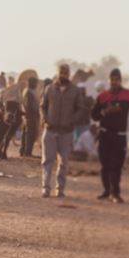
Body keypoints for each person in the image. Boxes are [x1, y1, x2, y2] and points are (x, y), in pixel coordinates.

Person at [91, 68, 129, 203]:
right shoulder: (102, 96)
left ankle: (115, 193)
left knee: (117, 165)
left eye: (117, 80)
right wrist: (104, 111)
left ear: (120, 80)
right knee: (105, 165)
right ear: (109, 80)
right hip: (104, 135)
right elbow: (94, 115)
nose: (114, 82)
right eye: (112, 80)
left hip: (120, 136)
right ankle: (106, 191)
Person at [40, 64, 88, 198]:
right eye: (62, 72)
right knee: (47, 161)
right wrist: (45, 119)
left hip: (66, 132)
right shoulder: (49, 89)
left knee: (64, 162)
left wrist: (72, 120)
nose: (64, 75)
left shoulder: (75, 91)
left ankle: (60, 189)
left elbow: (80, 108)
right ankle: (46, 188)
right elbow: (43, 106)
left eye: (66, 73)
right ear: (58, 73)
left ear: (69, 74)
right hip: (50, 130)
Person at [20, 76, 41, 157]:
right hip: (31, 116)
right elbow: (30, 106)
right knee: (30, 134)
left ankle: (23, 151)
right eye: (36, 83)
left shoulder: (27, 91)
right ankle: (27, 152)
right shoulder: (29, 92)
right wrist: (37, 112)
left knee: (25, 134)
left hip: (27, 115)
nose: (36, 85)